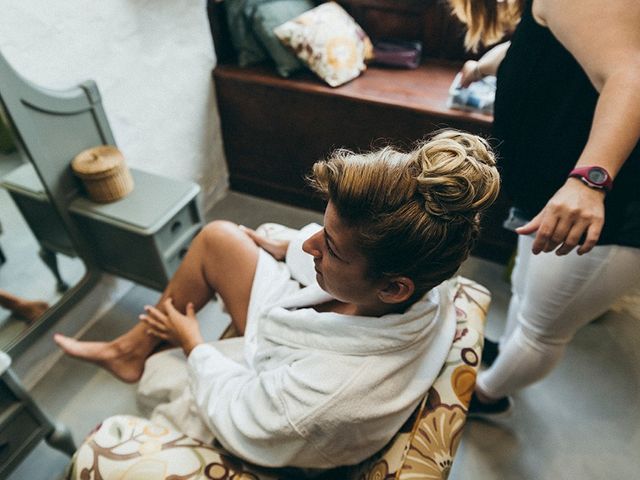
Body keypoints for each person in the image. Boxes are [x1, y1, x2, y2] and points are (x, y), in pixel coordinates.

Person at [54, 130, 500, 469]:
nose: (312, 246)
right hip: (309, 337)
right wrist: (288, 246)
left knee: (161, 372)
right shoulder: (429, 268)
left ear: (392, 286)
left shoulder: (323, 400)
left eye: (331, 247)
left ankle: (140, 356)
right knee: (219, 238)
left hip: (274, 392)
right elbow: (326, 256)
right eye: (322, 230)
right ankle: (128, 349)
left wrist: (194, 345)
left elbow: (240, 416)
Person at [449, 0, 640, 416]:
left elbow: (633, 77)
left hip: (606, 203)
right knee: (525, 290)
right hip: (547, 188)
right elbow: (547, 49)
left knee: (543, 332)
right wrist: (485, 65)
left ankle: (483, 395)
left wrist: (589, 182)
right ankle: (508, 353)